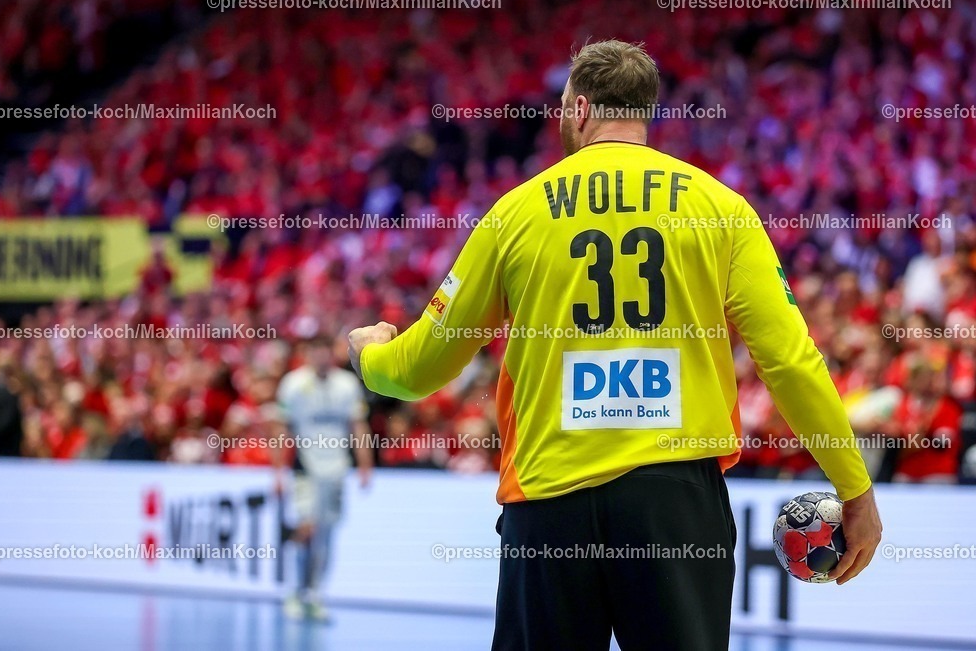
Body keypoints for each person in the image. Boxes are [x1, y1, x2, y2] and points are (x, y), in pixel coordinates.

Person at [348, 40, 883, 650]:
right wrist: (854, 487)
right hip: (676, 503)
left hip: (550, 500)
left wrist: (369, 355)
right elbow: (790, 359)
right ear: (644, 113)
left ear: (578, 110)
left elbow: (417, 370)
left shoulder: (513, 215)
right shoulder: (722, 208)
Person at [275, 334, 373, 622]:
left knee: (328, 534)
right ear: (307, 354)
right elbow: (282, 429)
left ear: (331, 354)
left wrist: (365, 465)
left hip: (337, 469)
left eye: (325, 352)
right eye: (314, 352)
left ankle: (316, 594)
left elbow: (358, 426)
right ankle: (295, 590)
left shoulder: (347, 384)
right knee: (307, 529)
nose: (320, 357)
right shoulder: (293, 383)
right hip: (305, 466)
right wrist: (278, 471)